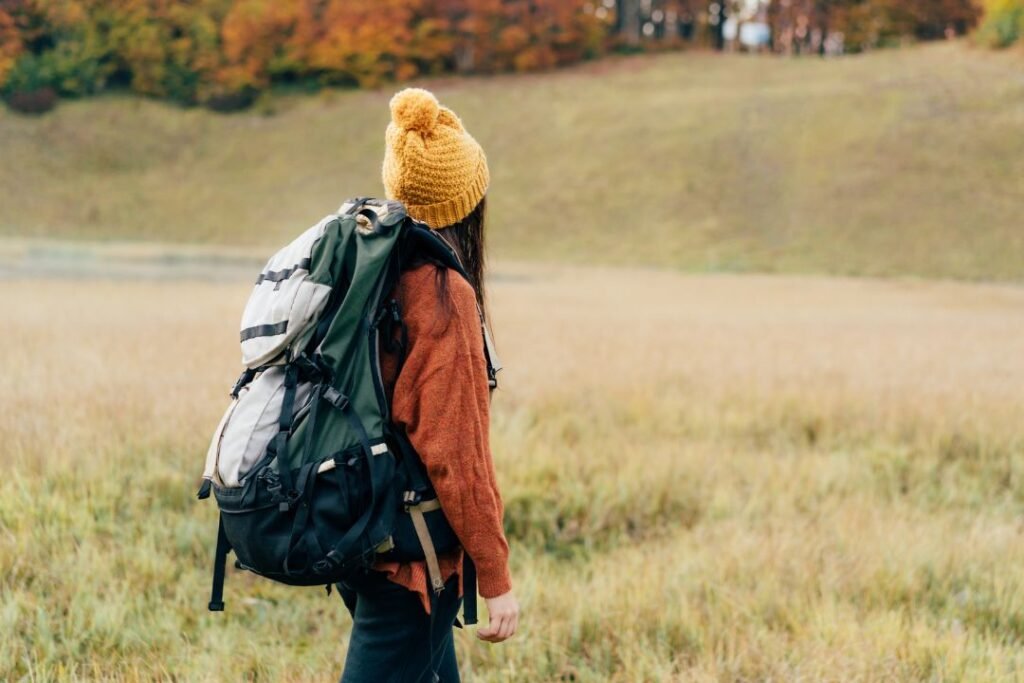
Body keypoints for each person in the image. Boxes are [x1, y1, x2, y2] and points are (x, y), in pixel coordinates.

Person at [337, 88, 519, 683]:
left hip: (360, 532)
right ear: (466, 206)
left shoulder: (367, 268)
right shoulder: (442, 293)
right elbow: (457, 456)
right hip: (411, 562)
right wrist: (496, 579)